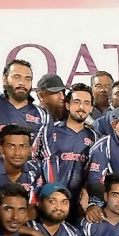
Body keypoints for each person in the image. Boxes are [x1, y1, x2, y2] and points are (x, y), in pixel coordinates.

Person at [33, 83, 97, 222]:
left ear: (91, 108)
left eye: (86, 103)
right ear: (68, 105)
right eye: (77, 102)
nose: (81, 107)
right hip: (51, 202)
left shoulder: (95, 137)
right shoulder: (51, 131)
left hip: (78, 207)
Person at [0, 59, 47, 145]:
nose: (22, 83)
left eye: (27, 79)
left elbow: (48, 156)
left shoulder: (43, 116)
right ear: (5, 79)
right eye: (17, 77)